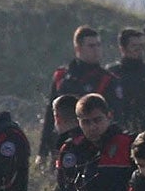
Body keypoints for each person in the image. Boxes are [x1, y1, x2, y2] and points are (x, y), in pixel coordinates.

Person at [39, 26, 116, 160]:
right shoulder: (61, 76)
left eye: (99, 45)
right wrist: (43, 151)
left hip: (91, 144)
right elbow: (50, 114)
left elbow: (113, 115)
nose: (97, 50)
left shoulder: (107, 79)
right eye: (91, 46)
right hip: (59, 143)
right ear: (78, 48)